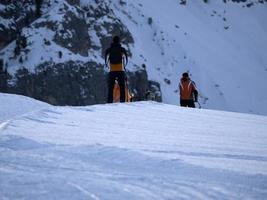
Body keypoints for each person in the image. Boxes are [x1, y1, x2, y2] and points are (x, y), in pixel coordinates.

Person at [105, 36, 128, 103]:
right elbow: (126, 60)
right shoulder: (122, 49)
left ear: (113, 41)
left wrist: (108, 67)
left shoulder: (109, 50)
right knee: (122, 86)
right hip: (120, 70)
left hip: (112, 70)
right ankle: (122, 101)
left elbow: (106, 61)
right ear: (119, 41)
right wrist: (124, 66)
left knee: (111, 87)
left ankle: (109, 101)